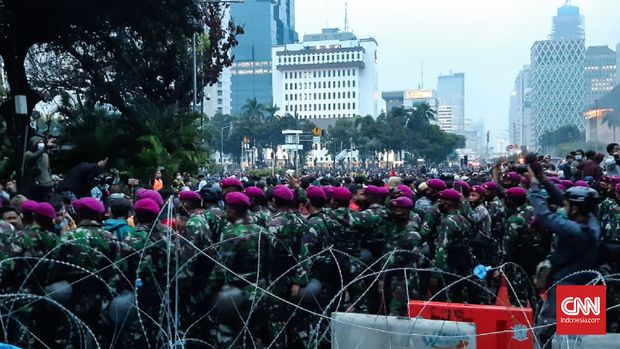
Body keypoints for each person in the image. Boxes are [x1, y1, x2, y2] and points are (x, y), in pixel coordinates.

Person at [527, 167, 601, 348]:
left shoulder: (574, 231)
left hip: (567, 288)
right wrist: (544, 179)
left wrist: (535, 186)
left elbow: (545, 215)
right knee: (580, 339)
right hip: (587, 285)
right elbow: (563, 200)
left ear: (575, 209)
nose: (564, 207)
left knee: (546, 332)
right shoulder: (591, 221)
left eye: (568, 206)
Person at [206, 192, 269, 348]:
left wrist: (206, 292)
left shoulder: (231, 233)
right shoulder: (262, 231)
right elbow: (269, 260)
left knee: (227, 336)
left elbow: (221, 268)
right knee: (254, 336)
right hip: (259, 290)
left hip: (235, 294)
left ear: (232, 210)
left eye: (227, 208)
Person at [23, 135, 55, 201]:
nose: (42, 144)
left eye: (42, 142)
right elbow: (34, 156)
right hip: (36, 186)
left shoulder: (45, 155)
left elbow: (47, 168)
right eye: (39, 142)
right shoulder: (28, 154)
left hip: (47, 184)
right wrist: (46, 146)